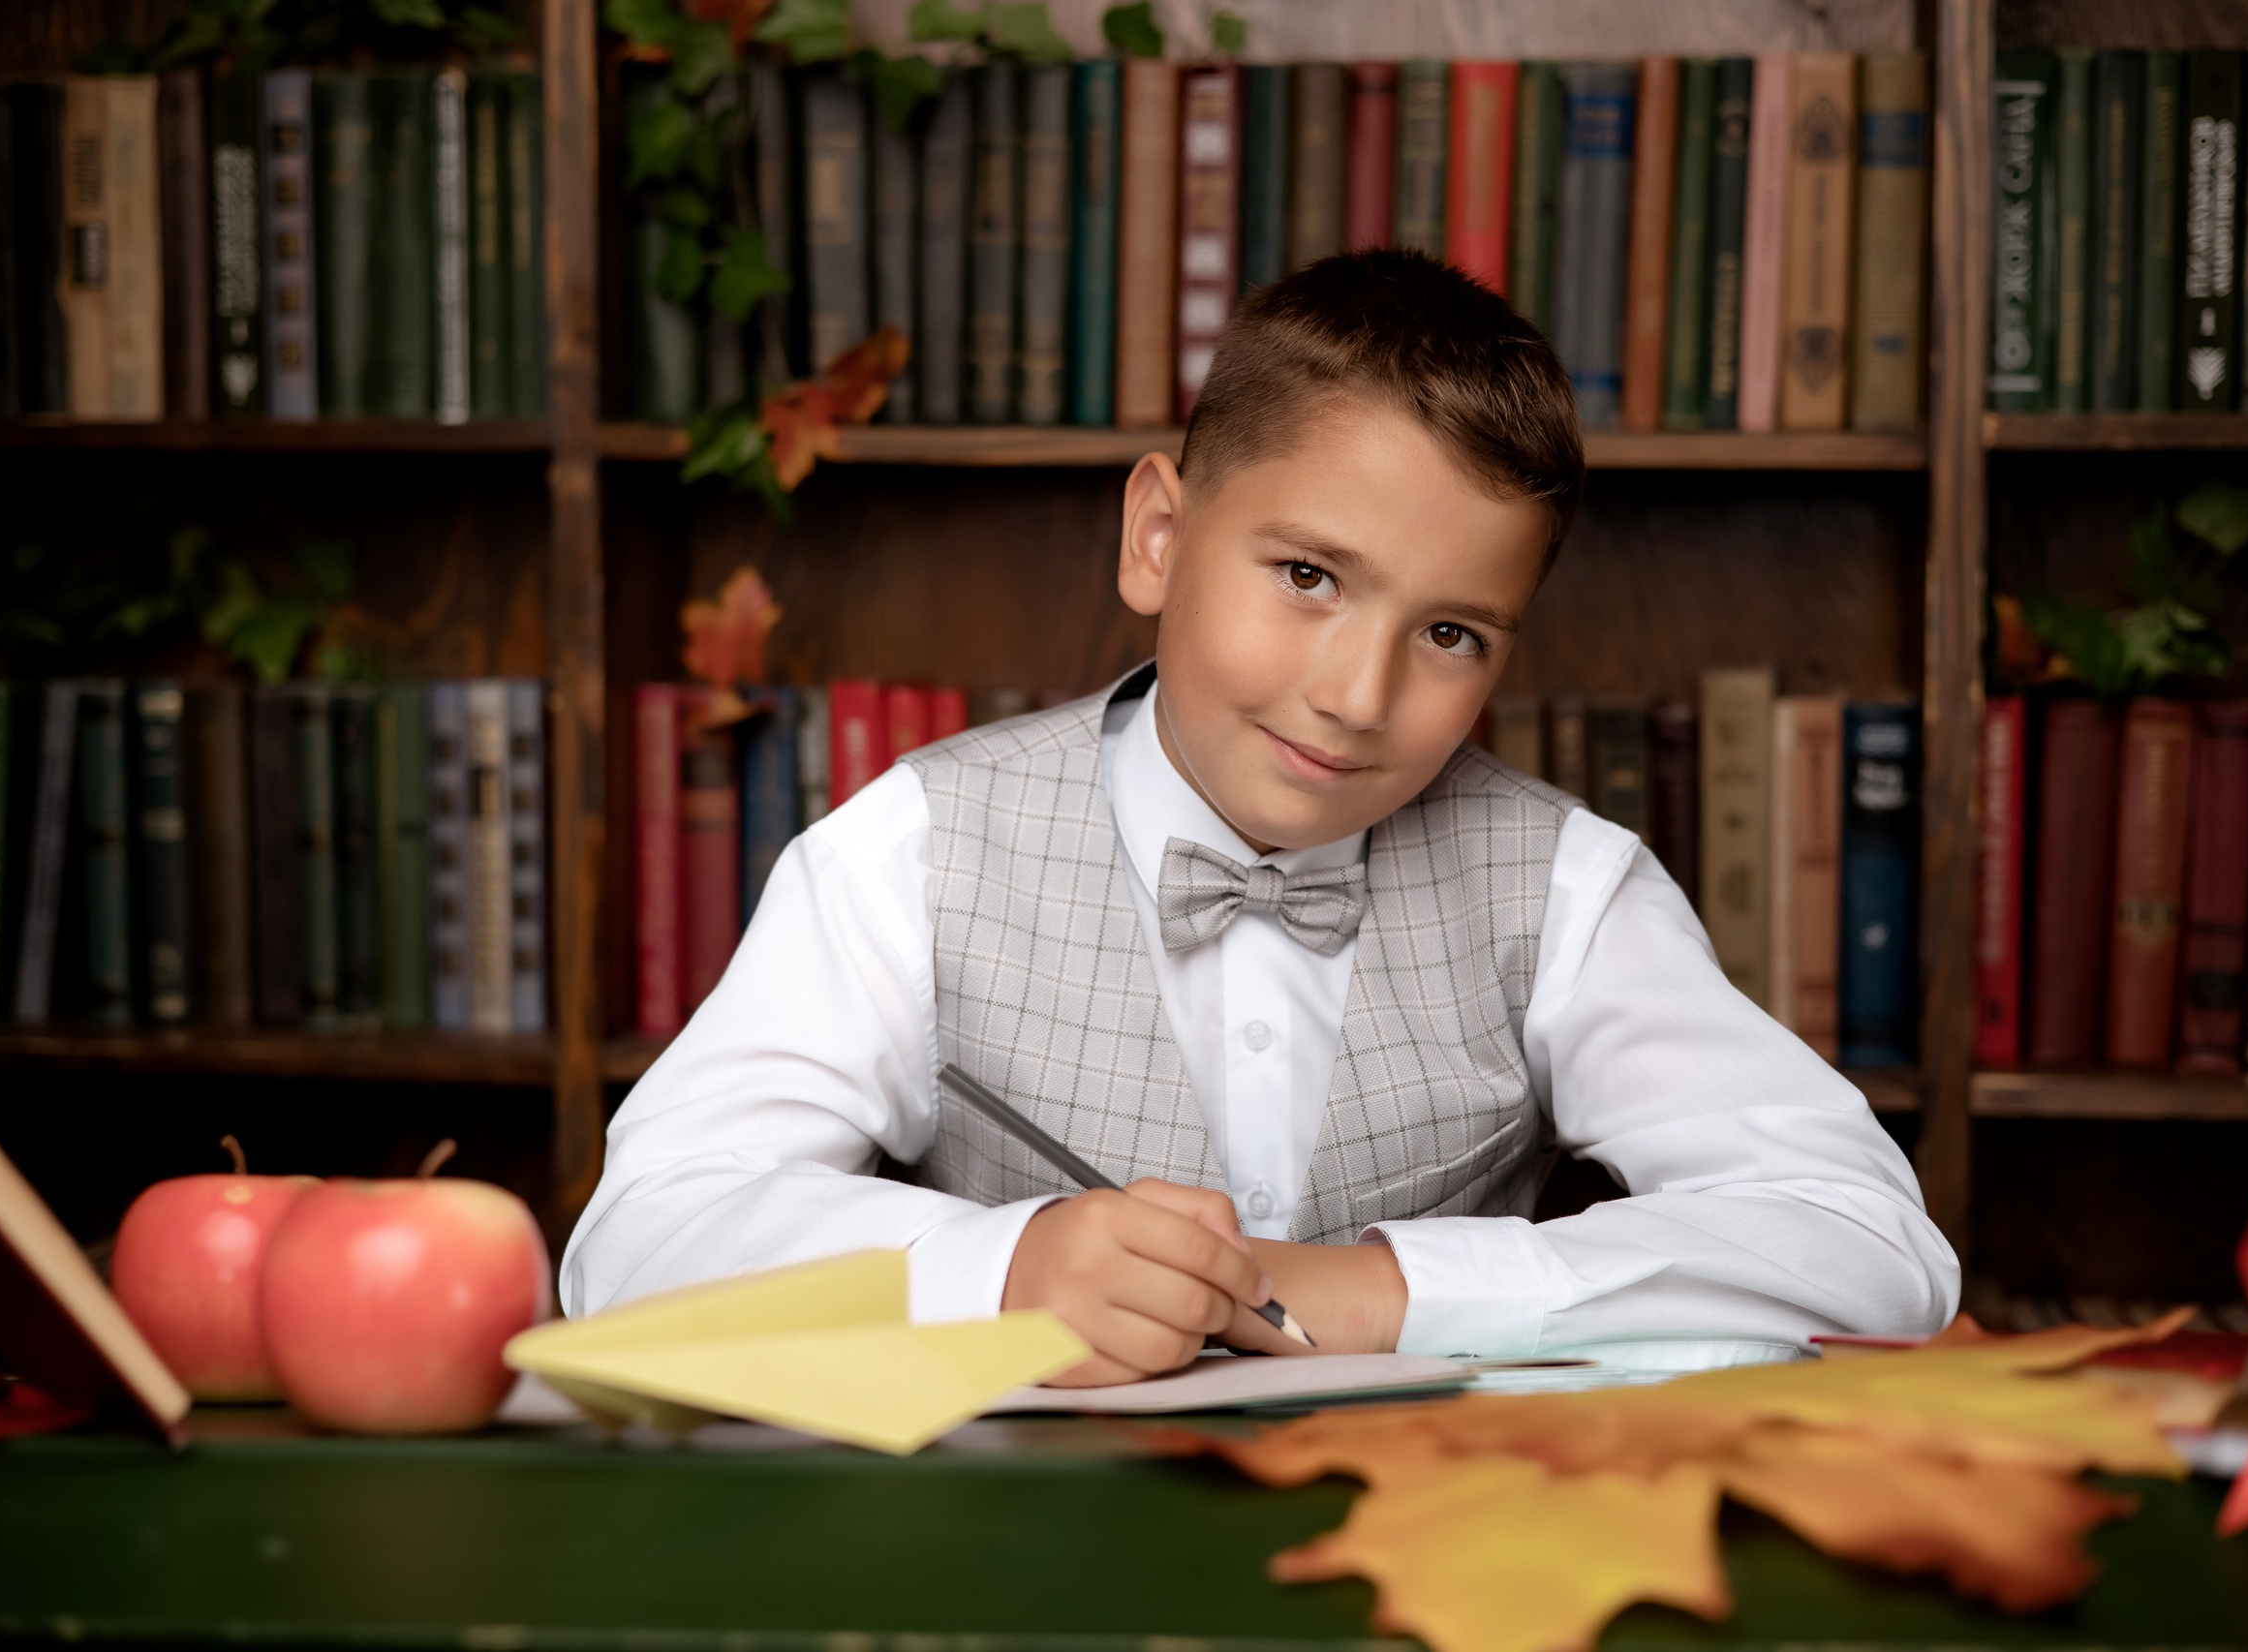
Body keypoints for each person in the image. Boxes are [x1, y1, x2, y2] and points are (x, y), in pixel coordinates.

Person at [562, 249, 1958, 1384]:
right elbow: (634, 1242)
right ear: (1158, 538)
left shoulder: (1570, 892)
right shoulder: (911, 852)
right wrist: (1000, 1269)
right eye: (1307, 574)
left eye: (1454, 635)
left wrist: (1391, 1288)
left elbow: (1873, 1241)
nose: (1357, 694)